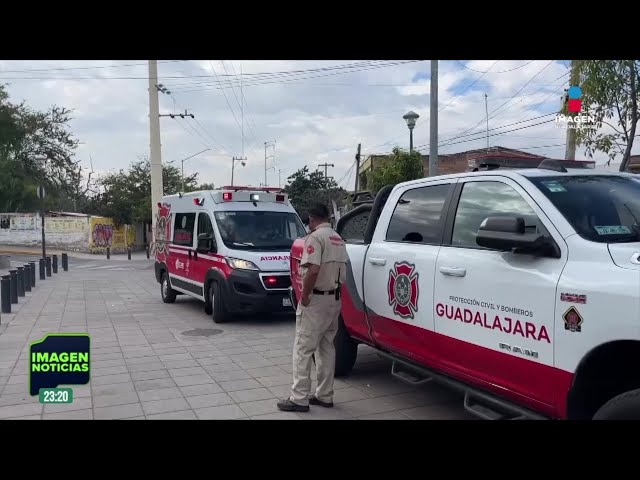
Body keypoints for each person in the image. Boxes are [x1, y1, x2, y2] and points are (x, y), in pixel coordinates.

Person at [277, 203, 348, 412]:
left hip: (316, 301)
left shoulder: (315, 238)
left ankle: (299, 398)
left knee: (303, 348)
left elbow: (313, 269)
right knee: (326, 347)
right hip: (334, 300)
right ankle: (325, 395)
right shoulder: (338, 238)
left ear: (311, 218)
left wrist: (305, 296)